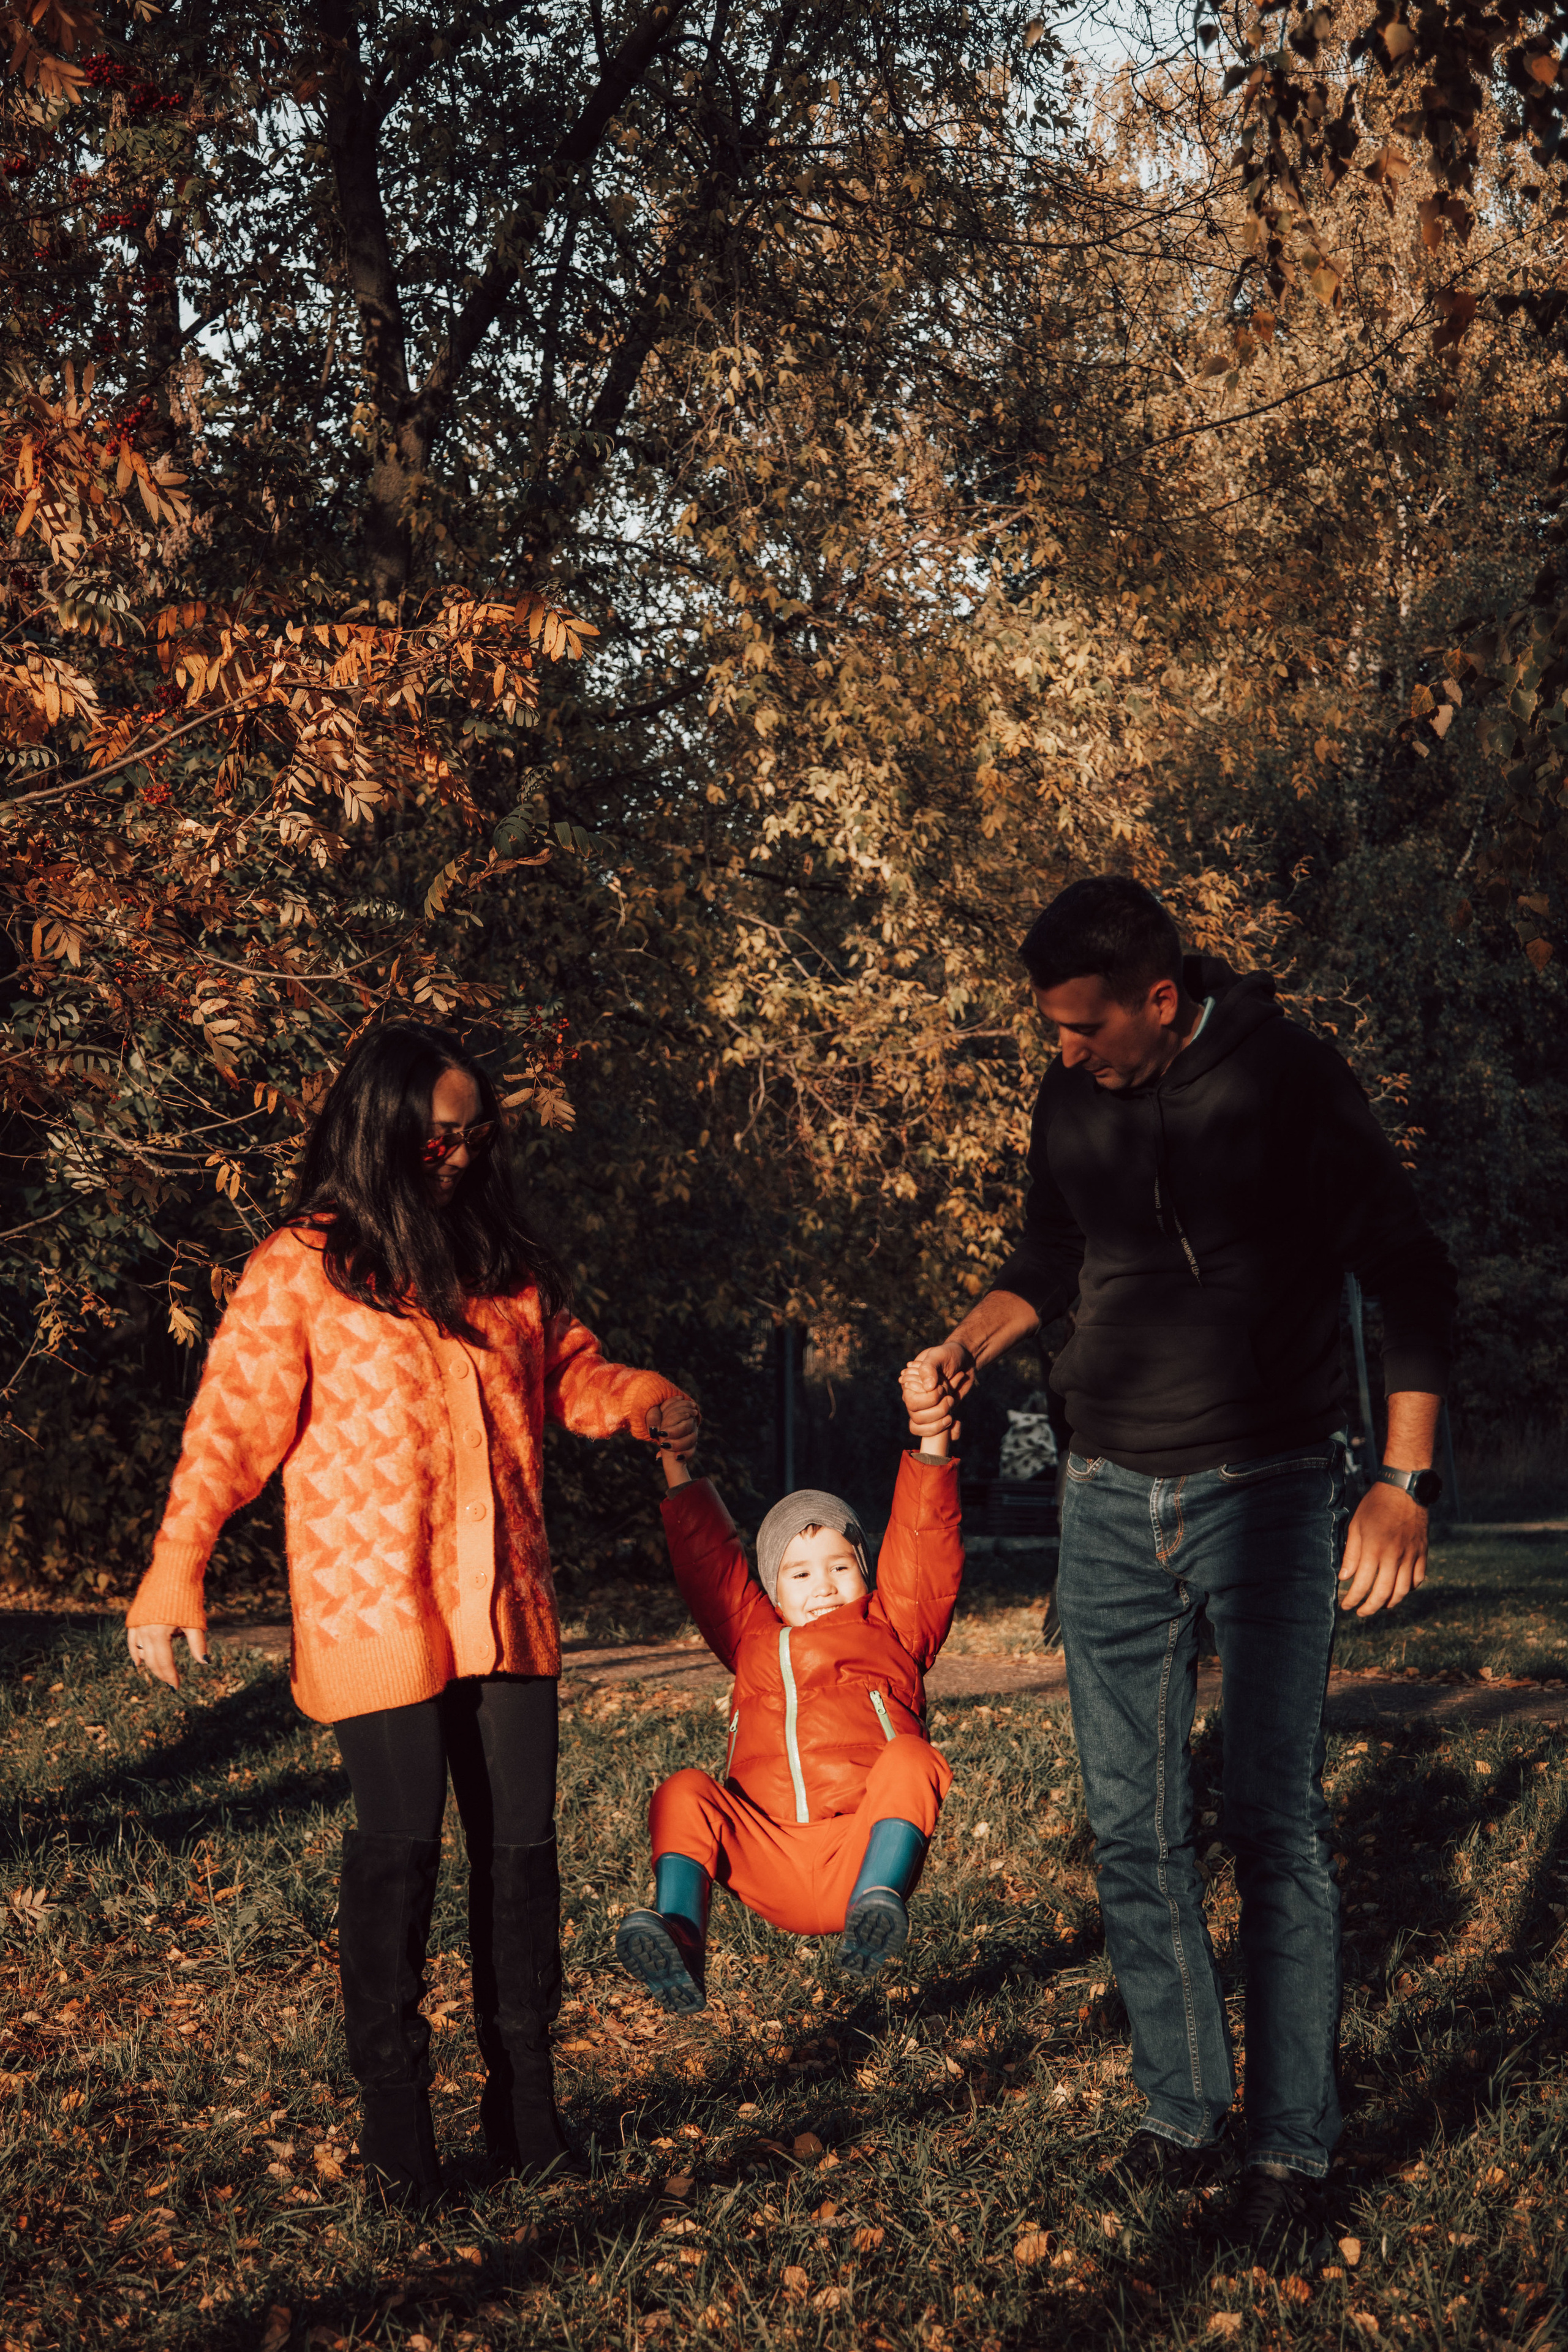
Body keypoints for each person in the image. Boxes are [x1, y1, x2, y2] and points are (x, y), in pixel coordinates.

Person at [905, 876, 1456, 2266]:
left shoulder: (1286, 1080)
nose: (1064, 1051)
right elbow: (1050, 1252)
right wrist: (969, 1343)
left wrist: (1400, 1482)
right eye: (1050, 1027)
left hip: (1268, 1491)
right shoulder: (1070, 1094)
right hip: (1105, 1497)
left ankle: (1289, 2145)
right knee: (1132, 1828)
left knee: (1272, 1824)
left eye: (1084, 1026)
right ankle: (1181, 2106)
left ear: (1158, 997)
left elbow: (1407, 1277)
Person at [124, 1020, 699, 2207]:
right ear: (379, 1126)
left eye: (474, 1133)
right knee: (400, 1856)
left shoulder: (500, 1256)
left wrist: (632, 1396)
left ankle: (527, 2115)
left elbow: (562, 1374)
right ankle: (398, 2137)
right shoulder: (304, 1263)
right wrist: (176, 1562)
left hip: (508, 1613)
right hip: (371, 1604)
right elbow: (233, 1423)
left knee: (520, 1857)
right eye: (437, 1135)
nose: (457, 1153)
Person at [613, 1373, 962, 2013]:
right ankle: (681, 1937)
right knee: (684, 1791)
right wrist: (674, 1463)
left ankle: (875, 1909)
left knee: (913, 1760)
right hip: (767, 1850)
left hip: (860, 1847)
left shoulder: (892, 1627)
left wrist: (932, 1440)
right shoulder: (751, 1639)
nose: (823, 1584)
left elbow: (923, 1540)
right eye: (800, 1573)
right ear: (773, 1593)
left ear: (865, 1569)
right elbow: (708, 1563)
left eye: (840, 1565)